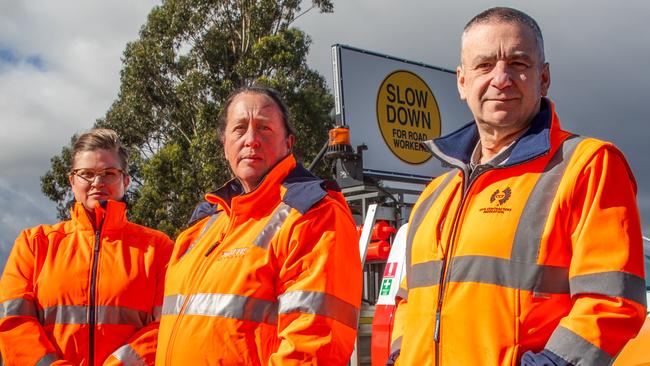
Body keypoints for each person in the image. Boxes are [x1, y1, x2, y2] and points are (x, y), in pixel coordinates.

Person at [389, 7, 647, 366]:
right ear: (462, 82)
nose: (501, 78)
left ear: (543, 79)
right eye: (484, 65)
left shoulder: (588, 165)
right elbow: (408, 299)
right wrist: (400, 357)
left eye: (518, 64)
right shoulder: (436, 192)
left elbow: (612, 302)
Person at [156, 85, 362, 365]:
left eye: (264, 128)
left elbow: (312, 347)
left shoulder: (314, 214)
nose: (251, 139)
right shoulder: (203, 223)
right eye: (240, 129)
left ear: (288, 144)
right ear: (224, 144)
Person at [0, 129, 173, 365]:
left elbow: (169, 324)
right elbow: (12, 323)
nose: (98, 182)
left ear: (126, 180)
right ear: (72, 180)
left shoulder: (159, 248)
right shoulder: (34, 244)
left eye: (109, 173)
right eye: (87, 174)